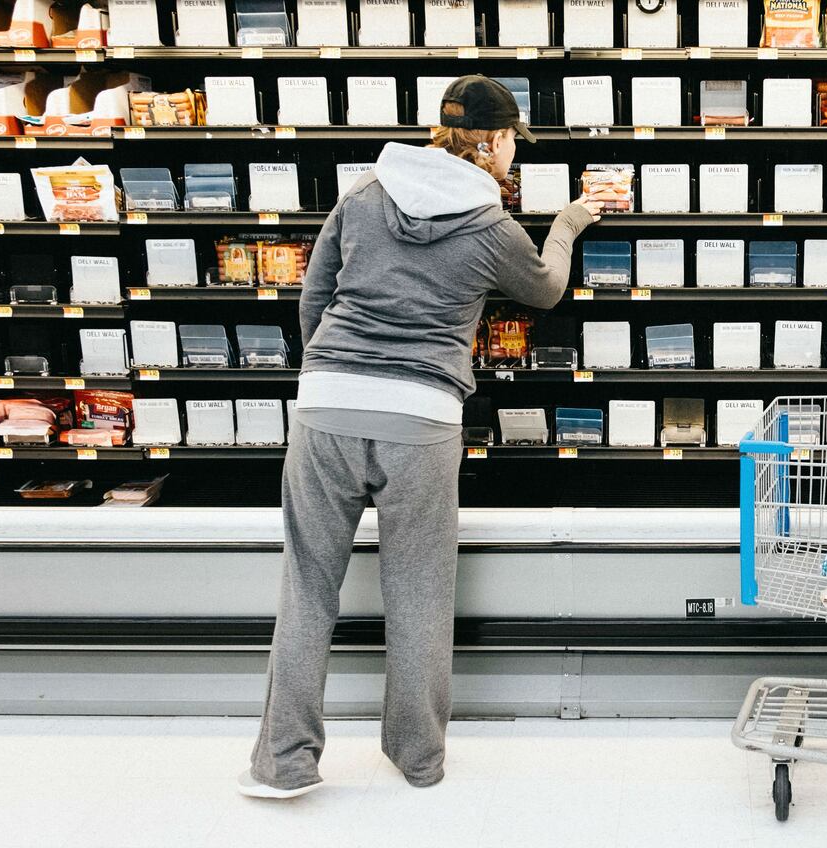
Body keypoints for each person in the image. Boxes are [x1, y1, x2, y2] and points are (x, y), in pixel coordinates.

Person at [239, 75, 601, 798]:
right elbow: (544, 289)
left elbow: (316, 294)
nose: (510, 162)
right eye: (511, 148)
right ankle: (417, 758)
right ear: (494, 140)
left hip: (327, 409)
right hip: (421, 419)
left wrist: (332, 376)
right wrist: (569, 221)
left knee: (307, 588)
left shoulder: (366, 192)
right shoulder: (492, 225)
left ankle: (283, 764)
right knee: (419, 592)